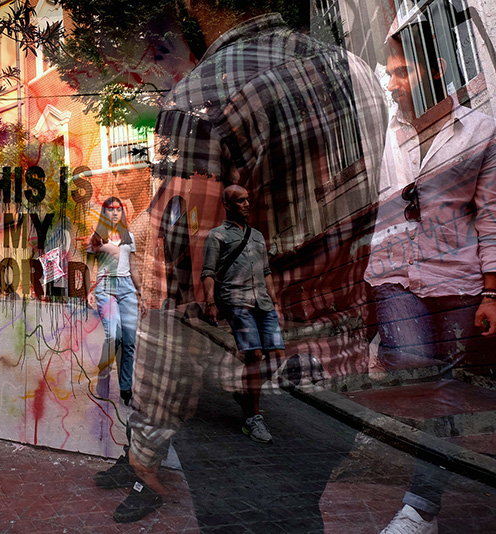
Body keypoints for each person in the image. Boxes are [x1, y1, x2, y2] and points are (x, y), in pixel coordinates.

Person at [94, 0, 387, 524]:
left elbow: (176, 298)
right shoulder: (355, 72)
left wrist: (148, 437)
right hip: (340, 370)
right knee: (299, 515)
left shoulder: (205, 98)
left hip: (247, 383)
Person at [364, 18, 496, 534]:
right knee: (418, 371)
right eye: (389, 71)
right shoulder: (385, 131)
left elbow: (490, 216)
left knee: (445, 392)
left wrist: (492, 292)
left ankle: (421, 508)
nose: (392, 81)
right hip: (395, 275)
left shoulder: (481, 132)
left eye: (402, 71)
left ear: (436, 68)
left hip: (460, 281)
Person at [202, 185, 285, 444]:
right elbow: (208, 273)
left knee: (277, 357)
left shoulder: (257, 236)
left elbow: (267, 271)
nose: (247, 204)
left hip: (263, 302)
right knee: (254, 355)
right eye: (240, 201)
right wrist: (210, 303)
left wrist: (275, 302)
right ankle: (253, 418)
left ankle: (246, 392)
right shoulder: (216, 236)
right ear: (227, 205)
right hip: (236, 301)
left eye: (248, 200)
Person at [86, 197, 147, 406]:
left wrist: (141, 294)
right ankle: (103, 374)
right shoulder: (96, 237)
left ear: (122, 212)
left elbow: (133, 267)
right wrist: (89, 291)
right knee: (114, 336)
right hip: (106, 287)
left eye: (118, 209)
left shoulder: (128, 236)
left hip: (127, 288)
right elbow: (89, 267)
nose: (114, 213)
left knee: (129, 341)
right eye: (110, 210)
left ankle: (126, 388)